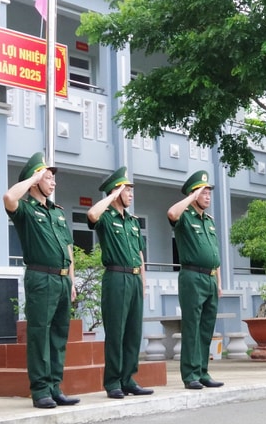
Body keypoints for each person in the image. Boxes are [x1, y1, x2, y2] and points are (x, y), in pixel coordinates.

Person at [3, 152, 80, 409]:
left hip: (61, 280)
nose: (53, 182)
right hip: (40, 277)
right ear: (35, 180)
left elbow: (68, 248)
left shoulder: (57, 213)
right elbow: (8, 197)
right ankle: (40, 390)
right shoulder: (24, 209)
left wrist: (72, 281)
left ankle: (55, 387)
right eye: (48, 178)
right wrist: (34, 177)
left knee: (59, 336)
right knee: (39, 335)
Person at [87, 167, 153, 399]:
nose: (131, 195)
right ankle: (113, 382)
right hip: (116, 278)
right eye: (127, 190)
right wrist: (111, 197)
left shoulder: (133, 222)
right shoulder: (105, 218)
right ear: (116, 192)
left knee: (133, 332)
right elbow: (92, 216)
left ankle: (128, 379)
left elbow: (140, 253)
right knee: (116, 332)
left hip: (134, 278)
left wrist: (143, 283)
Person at [167, 170, 225, 390]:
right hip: (192, 276)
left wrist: (218, 282)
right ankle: (190, 374)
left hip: (210, 278)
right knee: (192, 326)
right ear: (194, 194)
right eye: (204, 192)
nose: (208, 196)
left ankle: (203, 372)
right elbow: (171, 213)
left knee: (206, 328)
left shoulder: (208, 221)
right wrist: (191, 198)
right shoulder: (184, 217)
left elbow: (214, 253)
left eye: (209, 192)